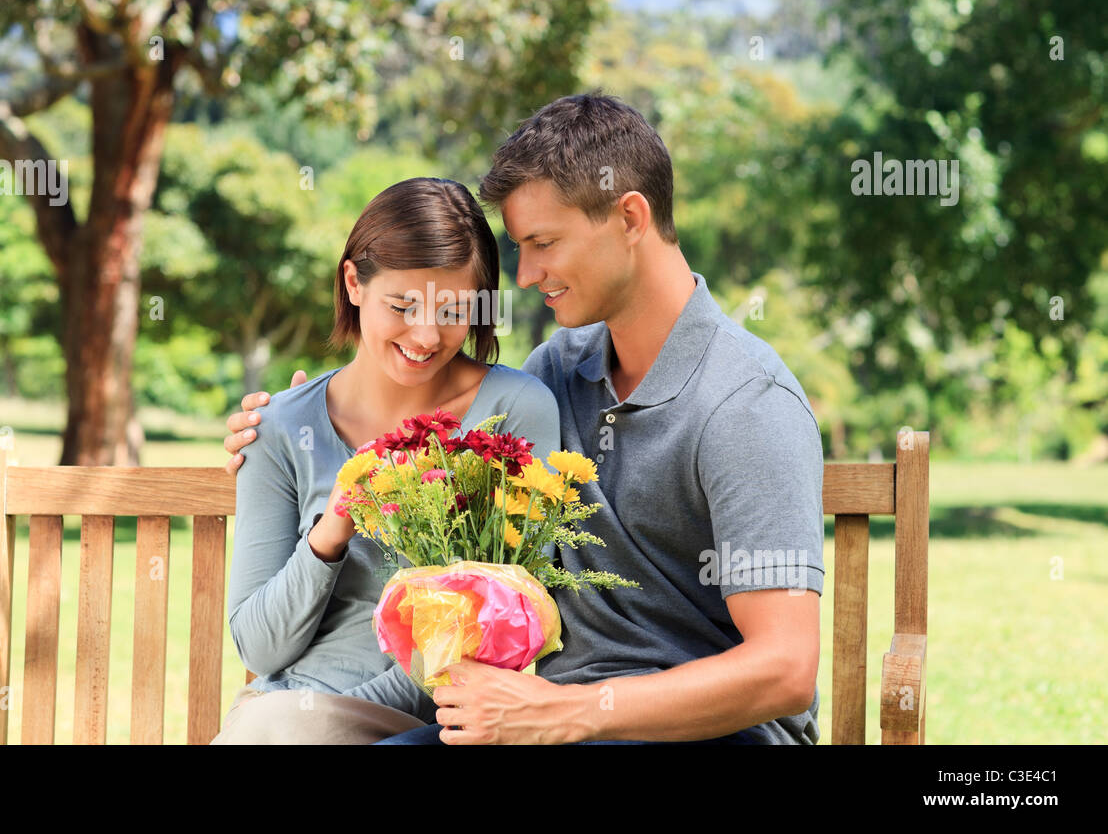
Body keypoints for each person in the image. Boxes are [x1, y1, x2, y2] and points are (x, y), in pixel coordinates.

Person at [225, 94, 825, 745]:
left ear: (629, 217)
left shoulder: (745, 403)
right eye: (519, 247)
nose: (529, 273)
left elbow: (785, 670)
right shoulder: (560, 370)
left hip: (702, 734)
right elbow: (440, 396)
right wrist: (292, 419)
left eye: (543, 243)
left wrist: (570, 711)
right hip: (545, 722)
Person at [211, 176, 560, 744]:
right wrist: (332, 529)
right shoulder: (279, 428)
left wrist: (331, 718)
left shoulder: (513, 413)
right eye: (402, 305)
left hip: (431, 721)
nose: (426, 336)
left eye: (453, 311)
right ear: (353, 282)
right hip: (280, 716)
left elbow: (507, 619)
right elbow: (260, 647)